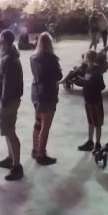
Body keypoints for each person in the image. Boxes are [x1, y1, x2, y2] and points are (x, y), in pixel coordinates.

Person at [0, 29, 25, 181]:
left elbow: (9, 84)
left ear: (3, 40)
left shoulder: (9, 59)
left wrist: (4, 102)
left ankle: (17, 166)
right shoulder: (6, 56)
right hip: (3, 100)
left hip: (7, 102)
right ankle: (10, 158)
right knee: (6, 131)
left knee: (10, 132)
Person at [29, 32, 62, 165]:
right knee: (45, 126)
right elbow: (58, 76)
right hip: (48, 94)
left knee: (37, 123)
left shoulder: (33, 58)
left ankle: (35, 149)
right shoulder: (52, 59)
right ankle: (41, 154)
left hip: (36, 93)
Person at [78, 49, 107, 152]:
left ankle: (98, 143)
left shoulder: (96, 71)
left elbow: (102, 86)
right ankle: (90, 142)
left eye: (85, 57)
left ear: (88, 59)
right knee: (90, 122)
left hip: (95, 101)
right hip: (88, 101)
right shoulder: (88, 70)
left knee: (97, 123)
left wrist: (92, 87)